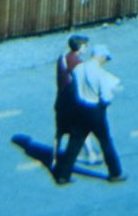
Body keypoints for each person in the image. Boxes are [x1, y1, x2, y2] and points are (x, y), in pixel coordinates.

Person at [53, 44, 125, 184]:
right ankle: (115, 173)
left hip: (80, 109)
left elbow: (74, 87)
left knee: (74, 142)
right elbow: (106, 98)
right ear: (100, 56)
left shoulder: (79, 68)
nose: (106, 61)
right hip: (95, 110)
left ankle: (63, 175)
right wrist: (103, 105)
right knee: (105, 142)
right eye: (105, 58)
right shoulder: (101, 74)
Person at [53, 35, 89, 158]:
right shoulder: (78, 63)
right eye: (85, 45)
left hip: (60, 99)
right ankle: (91, 154)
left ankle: (54, 158)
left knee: (59, 132)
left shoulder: (62, 57)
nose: (87, 48)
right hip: (72, 101)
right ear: (79, 47)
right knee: (82, 127)